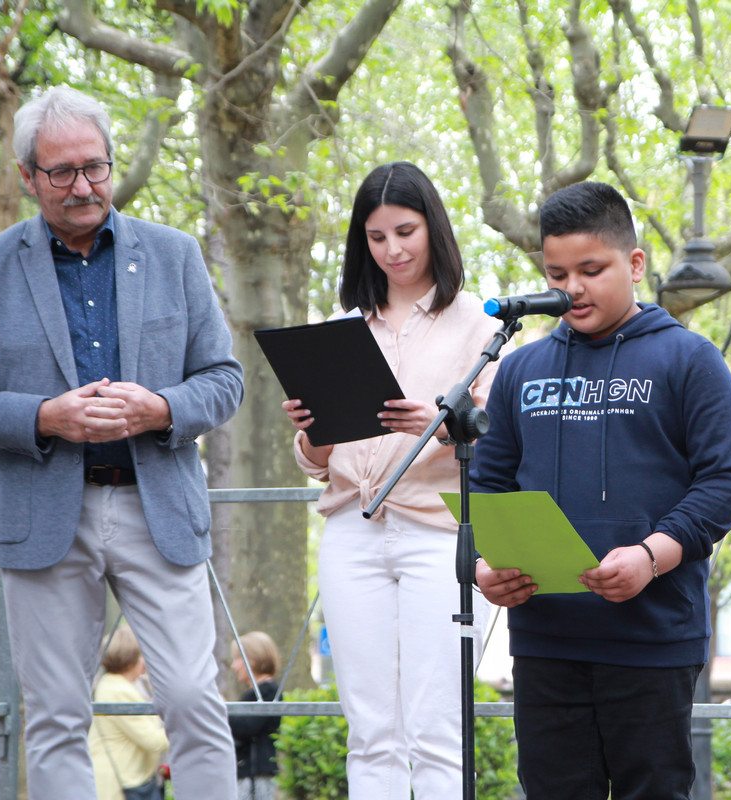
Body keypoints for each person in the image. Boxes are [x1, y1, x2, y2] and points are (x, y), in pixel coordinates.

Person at [0, 86, 243, 799]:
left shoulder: (174, 254)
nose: (83, 186)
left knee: (192, 698)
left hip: (158, 509)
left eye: (94, 167)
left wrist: (161, 407)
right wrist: (45, 417)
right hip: (44, 515)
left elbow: (225, 379)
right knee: (55, 717)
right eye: (62, 172)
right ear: (28, 176)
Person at [472, 181, 731, 800]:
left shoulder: (690, 360)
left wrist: (652, 556)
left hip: (653, 636)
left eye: (591, 270)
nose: (571, 288)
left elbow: (724, 479)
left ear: (635, 263)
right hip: (545, 639)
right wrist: (483, 566)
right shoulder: (518, 368)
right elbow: (485, 486)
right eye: (557, 274)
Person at [282, 161, 504, 798]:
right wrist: (313, 428)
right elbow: (316, 461)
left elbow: (498, 438)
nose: (393, 250)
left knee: (437, 728)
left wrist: (436, 427)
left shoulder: (482, 325)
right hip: (351, 532)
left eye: (405, 232)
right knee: (370, 730)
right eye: (376, 237)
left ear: (433, 227)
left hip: (439, 534)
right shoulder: (341, 327)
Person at [89, 626, 169, 800]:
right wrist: (187, 727)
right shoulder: (118, 691)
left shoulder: (117, 684)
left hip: (127, 780)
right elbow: (153, 741)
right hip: (118, 786)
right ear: (132, 660)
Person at [229, 631, 282, 800]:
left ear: (252, 659)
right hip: (248, 774)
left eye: (237, 659)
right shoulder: (254, 693)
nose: (233, 666)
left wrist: (223, 710)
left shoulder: (267, 692)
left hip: (255, 776)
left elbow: (245, 728)